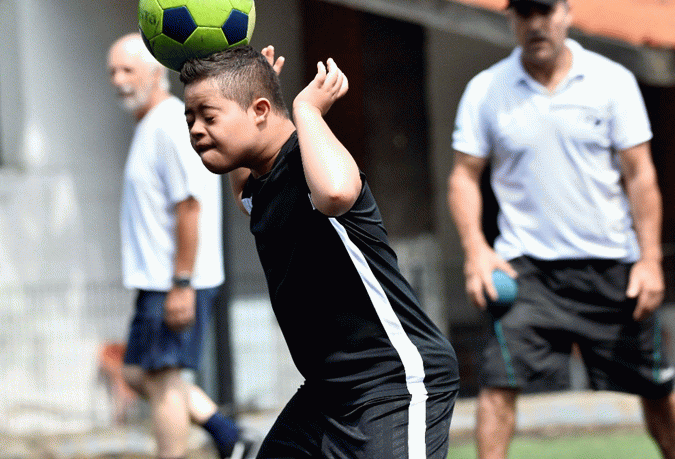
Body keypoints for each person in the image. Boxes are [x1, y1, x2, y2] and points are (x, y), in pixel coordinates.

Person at [448, 0, 675, 459]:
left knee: (657, 391)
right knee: (498, 387)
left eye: (546, 11)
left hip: (613, 267)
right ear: (513, 21)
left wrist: (650, 260)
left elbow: (641, 176)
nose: (536, 23)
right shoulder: (486, 90)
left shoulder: (612, 82)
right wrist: (476, 250)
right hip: (526, 274)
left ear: (568, 14)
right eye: (524, 14)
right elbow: (463, 176)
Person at [180, 45, 460, 459]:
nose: (196, 130)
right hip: (328, 393)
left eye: (208, 115)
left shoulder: (309, 163)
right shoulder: (260, 185)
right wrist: (256, 88)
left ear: (259, 111)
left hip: (392, 383)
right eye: (190, 119)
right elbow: (243, 191)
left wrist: (305, 110)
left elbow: (335, 192)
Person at [107, 33, 260, 459]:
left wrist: (181, 282)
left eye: (127, 70)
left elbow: (190, 207)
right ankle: (230, 435)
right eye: (112, 72)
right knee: (139, 373)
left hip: (172, 279)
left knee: (163, 381)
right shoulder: (150, 125)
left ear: (155, 72)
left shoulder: (171, 123)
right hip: (158, 279)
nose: (118, 80)